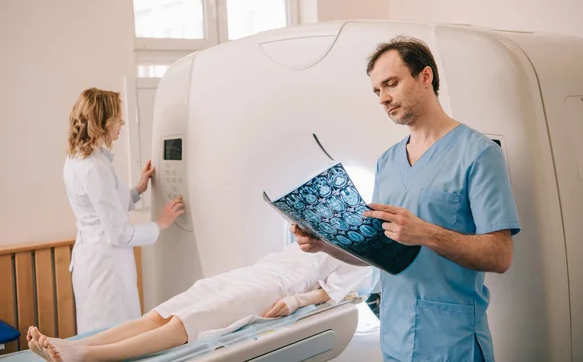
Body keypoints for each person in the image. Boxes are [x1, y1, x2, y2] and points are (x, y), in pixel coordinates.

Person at [292, 36, 521, 362]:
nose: (383, 98)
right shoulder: (387, 161)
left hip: (452, 341)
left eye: (391, 84)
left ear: (425, 77)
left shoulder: (479, 154)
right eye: (377, 91)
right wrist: (323, 244)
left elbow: (501, 256)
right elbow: (380, 254)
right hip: (395, 337)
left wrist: (425, 232)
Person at [26, 242, 375, 362]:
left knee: (187, 322)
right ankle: (76, 344)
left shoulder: (360, 254)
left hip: (274, 287)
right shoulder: (316, 230)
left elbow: (330, 293)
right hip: (252, 273)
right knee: (162, 313)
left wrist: (294, 302)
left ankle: (87, 356)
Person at [63, 88, 185, 334]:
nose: (122, 123)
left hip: (92, 259)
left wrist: (139, 188)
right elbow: (119, 233)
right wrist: (161, 223)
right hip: (106, 268)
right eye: (118, 118)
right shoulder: (94, 167)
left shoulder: (77, 159)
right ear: (103, 122)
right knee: (113, 336)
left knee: (97, 333)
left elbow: (103, 206)